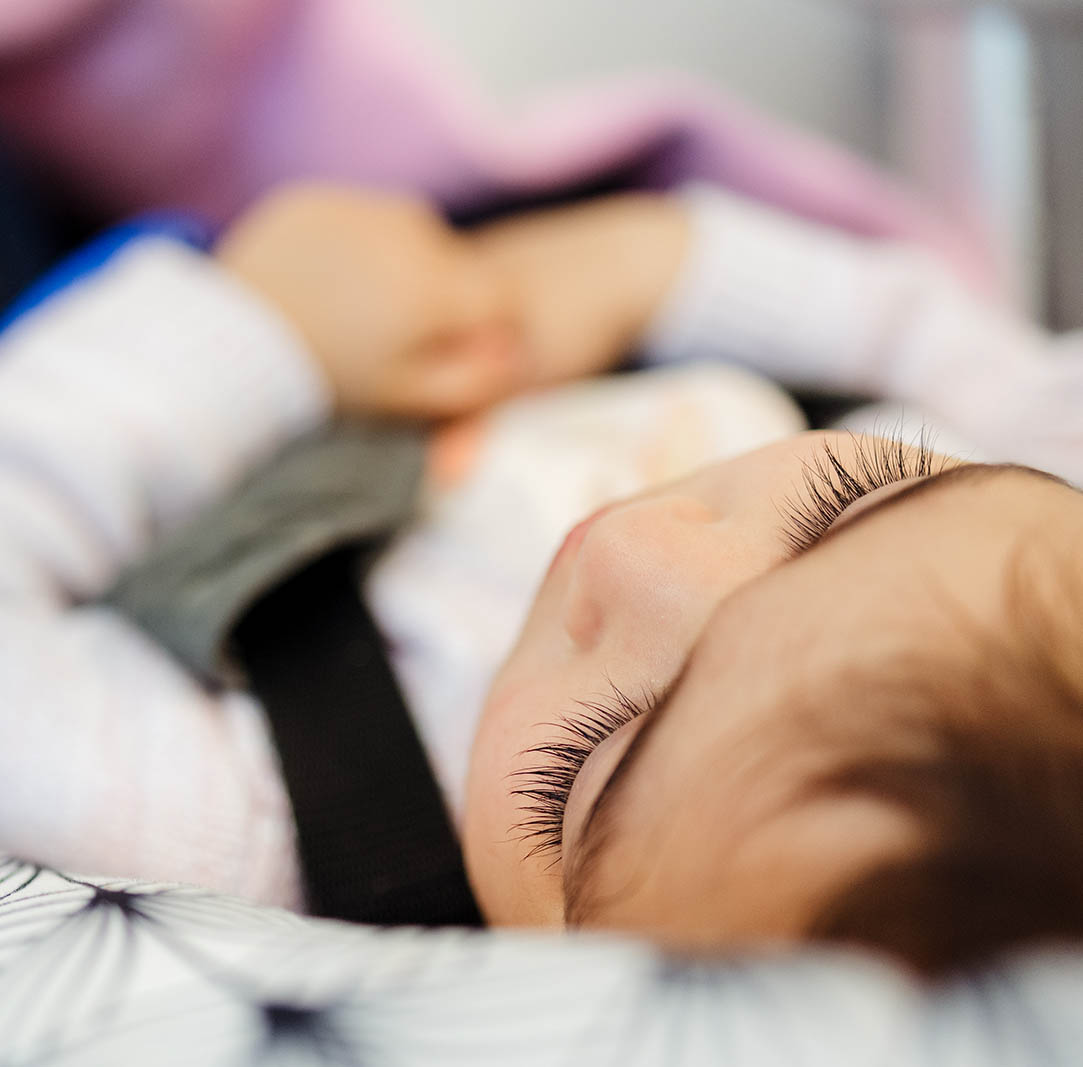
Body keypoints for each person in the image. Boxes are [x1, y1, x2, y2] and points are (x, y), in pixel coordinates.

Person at [2, 183, 1083, 976]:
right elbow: (969, 353)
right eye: (842, 504)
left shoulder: (245, 819)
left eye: (588, 761)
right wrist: (638, 265)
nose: (629, 547)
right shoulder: (1009, 491)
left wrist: (261, 335)